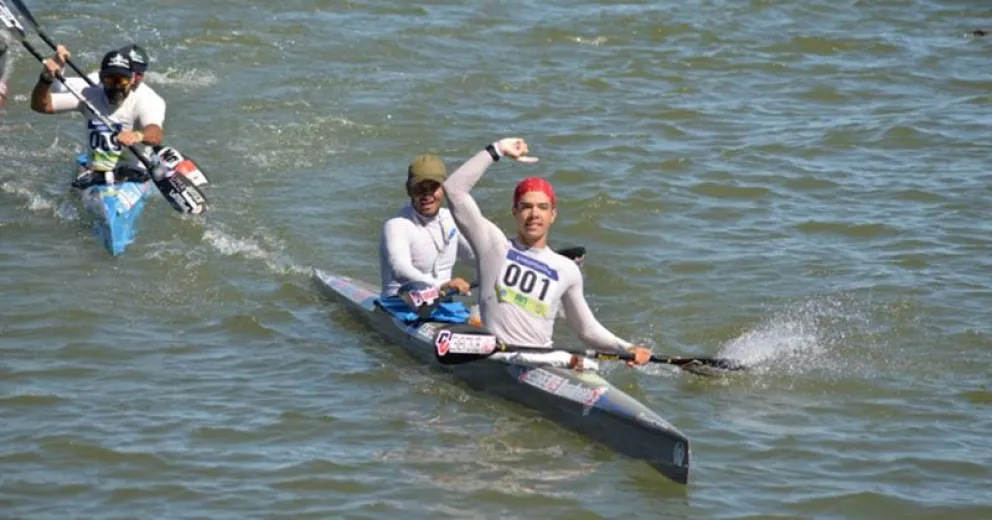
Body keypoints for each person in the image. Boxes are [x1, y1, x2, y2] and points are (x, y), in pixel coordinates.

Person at [442, 138, 652, 370]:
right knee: (573, 360)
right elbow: (454, 190)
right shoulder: (493, 246)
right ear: (515, 212)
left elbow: (586, 329)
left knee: (585, 366)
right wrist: (498, 149)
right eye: (526, 207)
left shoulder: (567, 269)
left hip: (544, 362)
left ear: (553, 215)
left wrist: (627, 348)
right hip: (501, 357)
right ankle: (567, 360)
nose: (534, 214)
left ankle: (568, 362)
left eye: (542, 207)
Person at [31, 45, 166, 188]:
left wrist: (137, 136)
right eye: (110, 81)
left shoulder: (147, 101)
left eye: (122, 80)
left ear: (132, 79)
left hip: (133, 174)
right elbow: (41, 106)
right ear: (101, 78)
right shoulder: (88, 95)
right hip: (96, 172)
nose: (116, 86)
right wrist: (45, 79)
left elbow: (155, 135)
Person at [379, 153, 476, 298]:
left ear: (444, 188)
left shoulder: (452, 220)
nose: (427, 195)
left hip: (442, 304)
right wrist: (441, 285)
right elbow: (399, 268)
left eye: (433, 187)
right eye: (420, 188)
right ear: (409, 190)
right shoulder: (396, 226)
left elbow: (475, 256)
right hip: (400, 306)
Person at [51, 43, 150, 94]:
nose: (134, 79)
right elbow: (58, 88)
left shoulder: (147, 97)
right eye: (130, 72)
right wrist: (59, 63)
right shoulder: (95, 83)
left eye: (139, 74)